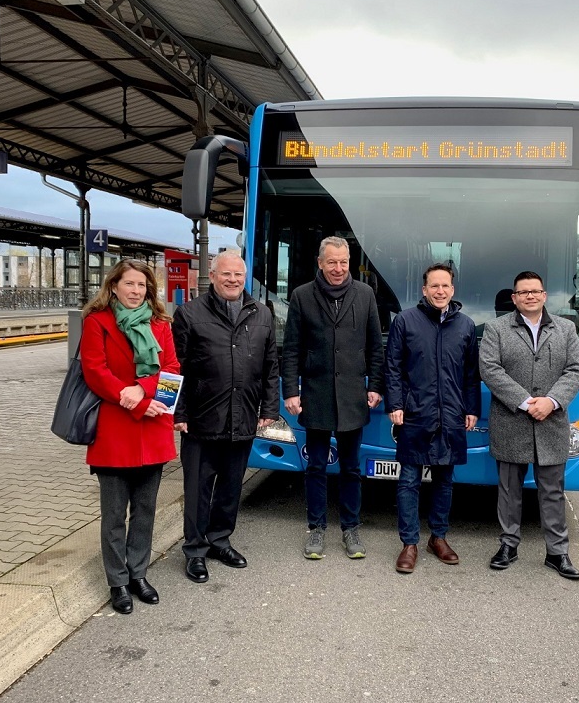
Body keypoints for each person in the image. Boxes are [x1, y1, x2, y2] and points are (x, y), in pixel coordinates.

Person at [171, 251, 279, 584]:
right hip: (201, 418)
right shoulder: (189, 314)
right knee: (198, 489)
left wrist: (270, 409)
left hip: (244, 415)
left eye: (238, 274)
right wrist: (180, 412)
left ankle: (220, 540)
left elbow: (270, 367)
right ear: (213, 276)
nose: (233, 280)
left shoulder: (262, 314)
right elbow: (177, 368)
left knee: (231, 487)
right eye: (226, 274)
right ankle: (195, 550)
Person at [80, 259, 178, 614]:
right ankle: (117, 581)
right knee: (113, 514)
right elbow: (95, 372)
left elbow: (171, 369)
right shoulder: (97, 322)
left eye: (142, 286)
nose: (136, 291)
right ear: (114, 286)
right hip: (115, 431)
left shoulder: (160, 324)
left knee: (146, 510)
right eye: (130, 284)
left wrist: (145, 391)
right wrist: (136, 401)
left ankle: (138, 572)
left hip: (154, 428)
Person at [281, 236, 385, 560]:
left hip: (353, 395)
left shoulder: (366, 295)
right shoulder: (301, 296)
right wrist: (291, 391)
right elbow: (291, 349)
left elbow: (375, 348)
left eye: (343, 262)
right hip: (316, 394)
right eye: (332, 262)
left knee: (352, 468)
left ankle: (350, 528)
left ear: (349, 263)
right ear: (320, 262)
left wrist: (376, 385)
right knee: (315, 466)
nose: (338, 269)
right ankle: (316, 528)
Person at [479, 271, 579, 581]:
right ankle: (508, 546)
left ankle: (557, 553)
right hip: (512, 420)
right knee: (509, 490)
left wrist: (551, 401)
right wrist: (527, 402)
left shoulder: (566, 329)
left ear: (544, 296)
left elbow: (576, 371)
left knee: (552, 491)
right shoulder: (496, 329)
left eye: (534, 291)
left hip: (551, 423)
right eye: (522, 292)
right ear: (513, 298)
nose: (529, 296)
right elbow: (489, 369)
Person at [385, 263, 480, 573]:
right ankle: (409, 543)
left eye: (445, 286)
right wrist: (395, 403)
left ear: (452, 290)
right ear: (424, 290)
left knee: (444, 481)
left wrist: (472, 408)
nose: (440, 291)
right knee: (409, 481)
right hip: (415, 414)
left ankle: (437, 537)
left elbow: (470, 374)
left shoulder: (465, 325)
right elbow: (393, 367)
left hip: (452, 414)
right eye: (434, 286)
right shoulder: (405, 321)